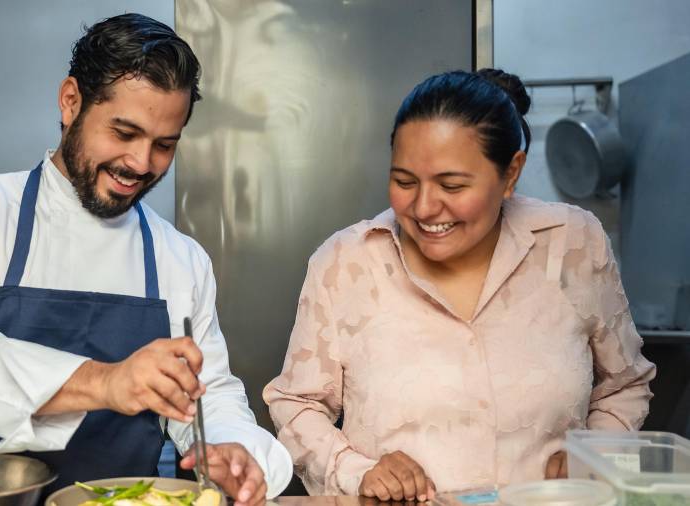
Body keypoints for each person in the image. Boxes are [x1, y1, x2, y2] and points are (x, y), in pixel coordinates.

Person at [0, 13, 291, 503]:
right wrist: (105, 382)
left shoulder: (179, 258)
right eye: (124, 133)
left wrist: (232, 445)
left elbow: (210, 391)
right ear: (70, 101)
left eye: (164, 145)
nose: (141, 164)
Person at [263, 69, 656, 503]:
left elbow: (625, 386)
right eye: (404, 181)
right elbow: (296, 404)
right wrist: (360, 471)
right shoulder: (346, 261)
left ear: (511, 174)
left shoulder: (573, 243)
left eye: (452, 185)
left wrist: (595, 453)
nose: (425, 207)